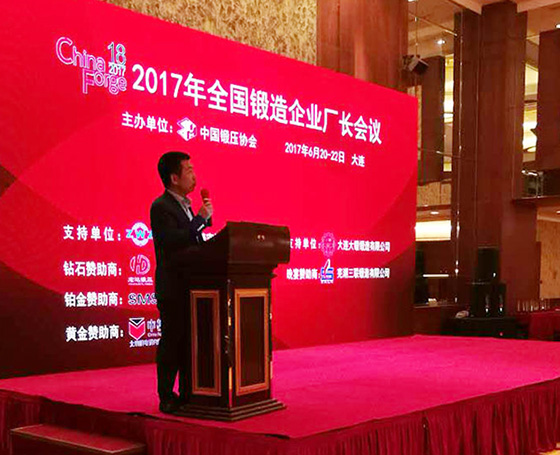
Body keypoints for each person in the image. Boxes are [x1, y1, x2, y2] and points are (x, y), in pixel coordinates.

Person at [150, 151, 213, 414]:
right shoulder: (161, 206)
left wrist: (202, 221)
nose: (194, 175)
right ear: (174, 178)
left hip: (192, 286)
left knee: (189, 342)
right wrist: (199, 220)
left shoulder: (186, 204)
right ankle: (166, 396)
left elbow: (192, 239)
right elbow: (172, 241)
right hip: (173, 287)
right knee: (172, 341)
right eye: (189, 170)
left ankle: (189, 392)